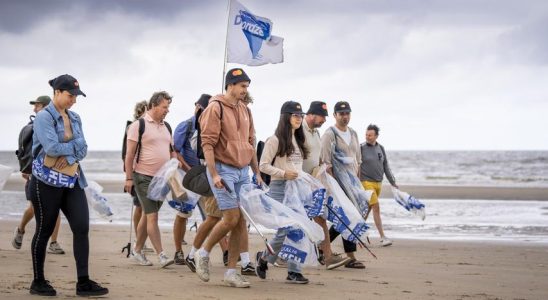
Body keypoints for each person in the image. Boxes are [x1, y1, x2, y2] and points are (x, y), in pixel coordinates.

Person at [28, 74, 108, 296]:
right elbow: (52, 148)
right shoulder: (44, 117)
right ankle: (38, 281)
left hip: (72, 180)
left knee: (81, 227)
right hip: (45, 182)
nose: (74, 99)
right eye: (70, 95)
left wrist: (72, 156)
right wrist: (74, 147)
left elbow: (84, 149)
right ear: (57, 93)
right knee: (44, 231)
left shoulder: (75, 118)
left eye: (76, 96)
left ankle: (83, 283)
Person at [194, 68, 261, 288]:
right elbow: (207, 144)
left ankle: (231, 271)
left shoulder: (245, 110)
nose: (245, 90)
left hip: (242, 171)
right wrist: (213, 174)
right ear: (230, 85)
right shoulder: (215, 108)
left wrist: (257, 172)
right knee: (231, 218)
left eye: (247, 86)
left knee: (240, 221)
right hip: (223, 170)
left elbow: (250, 144)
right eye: (242, 86)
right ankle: (202, 253)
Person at [255, 101, 310, 284]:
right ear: (285, 117)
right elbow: (263, 165)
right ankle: (263, 259)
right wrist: (283, 173)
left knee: (298, 229)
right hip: (279, 188)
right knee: (284, 230)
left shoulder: (299, 139)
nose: (299, 119)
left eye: (301, 115)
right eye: (295, 115)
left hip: (296, 188)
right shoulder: (275, 139)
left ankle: (294, 271)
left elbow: (298, 166)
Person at [124, 91, 176, 268]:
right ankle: (161, 255)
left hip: (162, 179)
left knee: (147, 217)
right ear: (153, 105)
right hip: (143, 177)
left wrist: (175, 166)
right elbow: (129, 155)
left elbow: (171, 150)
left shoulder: (167, 126)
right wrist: (129, 178)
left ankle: (137, 252)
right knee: (152, 216)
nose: (167, 110)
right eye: (164, 107)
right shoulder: (138, 125)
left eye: (168, 107)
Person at [12, 95, 65, 255]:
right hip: (34, 173)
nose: (35, 109)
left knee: (56, 208)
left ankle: (53, 242)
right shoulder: (31, 127)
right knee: (34, 208)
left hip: (54, 172)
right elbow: (25, 152)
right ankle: (21, 229)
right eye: (35, 106)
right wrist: (26, 169)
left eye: (39, 105)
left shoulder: (56, 125)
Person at [302, 101, 350, 270]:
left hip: (313, 182)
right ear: (312, 114)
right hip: (298, 183)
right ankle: (270, 255)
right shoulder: (298, 130)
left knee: (320, 217)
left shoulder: (316, 133)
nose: (324, 120)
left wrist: (323, 168)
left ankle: (327, 256)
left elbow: (316, 157)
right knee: (296, 221)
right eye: (322, 116)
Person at [320, 101, 365, 269]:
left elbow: (357, 161)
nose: (345, 117)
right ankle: (350, 256)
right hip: (337, 183)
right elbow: (325, 162)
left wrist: (358, 183)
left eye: (347, 113)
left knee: (349, 217)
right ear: (335, 115)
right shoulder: (330, 134)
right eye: (341, 114)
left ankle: (321, 247)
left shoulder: (353, 133)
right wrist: (333, 187)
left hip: (353, 183)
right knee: (347, 217)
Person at [122, 100, 153, 252]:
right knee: (140, 207)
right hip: (136, 173)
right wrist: (128, 176)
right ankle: (139, 239)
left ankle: (141, 240)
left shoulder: (152, 128)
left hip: (148, 173)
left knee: (144, 208)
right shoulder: (134, 127)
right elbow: (126, 153)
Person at [360, 124, 397, 247]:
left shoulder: (381, 148)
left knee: (367, 209)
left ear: (376, 136)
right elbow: (355, 164)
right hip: (365, 182)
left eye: (370, 135)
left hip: (378, 183)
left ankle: (357, 233)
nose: (367, 137)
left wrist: (392, 181)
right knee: (376, 207)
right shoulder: (361, 148)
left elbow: (385, 165)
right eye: (366, 135)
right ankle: (383, 237)